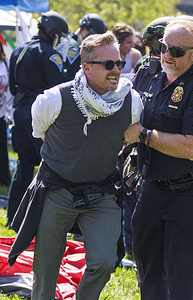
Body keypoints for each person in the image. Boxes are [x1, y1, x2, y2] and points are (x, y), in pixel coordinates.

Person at [8, 32, 143, 300]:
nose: (116, 70)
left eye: (118, 63)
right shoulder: (54, 99)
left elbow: (128, 137)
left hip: (102, 190)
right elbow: (41, 132)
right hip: (57, 188)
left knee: (106, 260)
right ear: (86, 67)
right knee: (46, 266)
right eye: (108, 64)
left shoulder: (132, 101)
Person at [130, 20, 193, 299]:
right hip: (152, 186)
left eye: (176, 51)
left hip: (191, 192)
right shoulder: (149, 75)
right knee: (145, 260)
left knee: (181, 273)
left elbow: (191, 147)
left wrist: (143, 135)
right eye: (163, 47)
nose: (167, 55)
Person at [7, 11, 69, 226]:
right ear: (52, 32)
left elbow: (13, 84)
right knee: (48, 165)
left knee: (23, 164)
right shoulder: (49, 54)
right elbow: (57, 87)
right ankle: (41, 218)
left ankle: (14, 217)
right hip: (38, 114)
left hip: (19, 110)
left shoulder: (18, 50)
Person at [64, 12, 108, 79]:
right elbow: (73, 76)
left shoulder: (77, 45)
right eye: (92, 35)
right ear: (83, 29)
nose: (93, 40)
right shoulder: (72, 48)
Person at [0, 42, 12, 186]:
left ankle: (4, 181)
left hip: (1, 113)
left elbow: (10, 90)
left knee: (2, 148)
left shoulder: (6, 64)